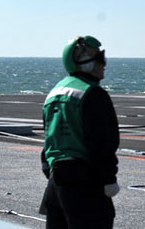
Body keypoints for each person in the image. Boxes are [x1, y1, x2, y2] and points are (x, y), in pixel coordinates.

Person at [40, 35, 120, 229]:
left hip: (56, 181)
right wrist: (108, 178)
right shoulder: (92, 93)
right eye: (98, 58)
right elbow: (102, 142)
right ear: (82, 62)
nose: (103, 63)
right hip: (84, 182)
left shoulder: (54, 92)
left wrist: (52, 172)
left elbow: (50, 141)